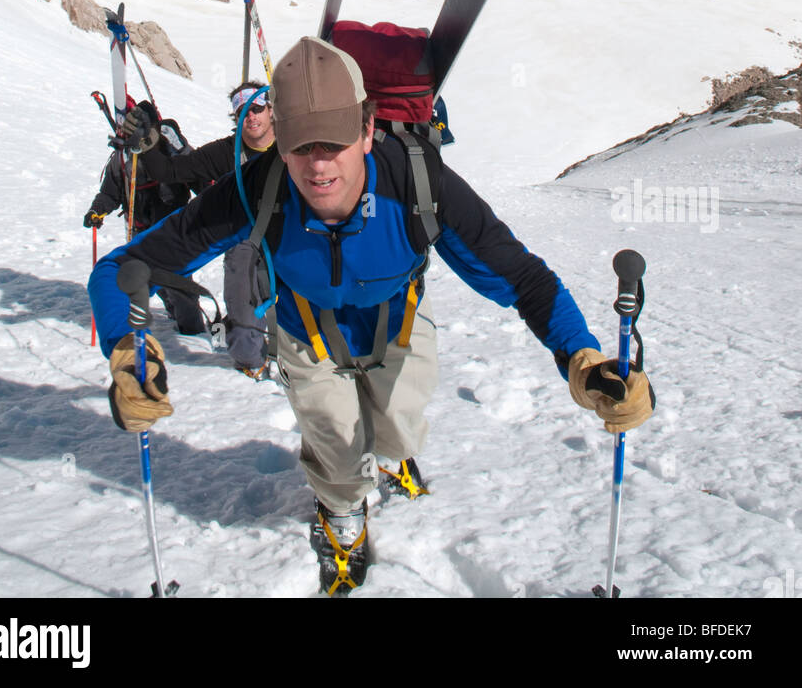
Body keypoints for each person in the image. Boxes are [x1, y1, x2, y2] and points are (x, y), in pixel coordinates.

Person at [89, 38, 654, 596]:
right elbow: (121, 269)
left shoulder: (419, 183)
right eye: (299, 143)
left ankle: (391, 452)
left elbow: (524, 278)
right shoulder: (257, 190)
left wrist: (581, 357)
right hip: (306, 329)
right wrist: (124, 345)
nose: (317, 165)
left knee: (398, 426)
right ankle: (340, 512)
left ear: (366, 129)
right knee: (336, 439)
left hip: (397, 320)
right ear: (277, 140)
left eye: (333, 141)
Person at [84, 110, 207, 336]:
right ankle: (176, 314)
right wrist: (97, 210)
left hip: (173, 230)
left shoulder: (167, 150)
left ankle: (192, 330)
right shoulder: (122, 159)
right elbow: (110, 192)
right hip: (142, 231)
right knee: (150, 279)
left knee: (178, 282)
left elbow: (196, 176)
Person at [120, 82, 276, 191]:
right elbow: (167, 171)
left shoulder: (293, 143)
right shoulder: (225, 153)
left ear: (269, 110)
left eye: (256, 109)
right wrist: (146, 143)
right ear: (236, 119)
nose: (251, 116)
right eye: (242, 112)